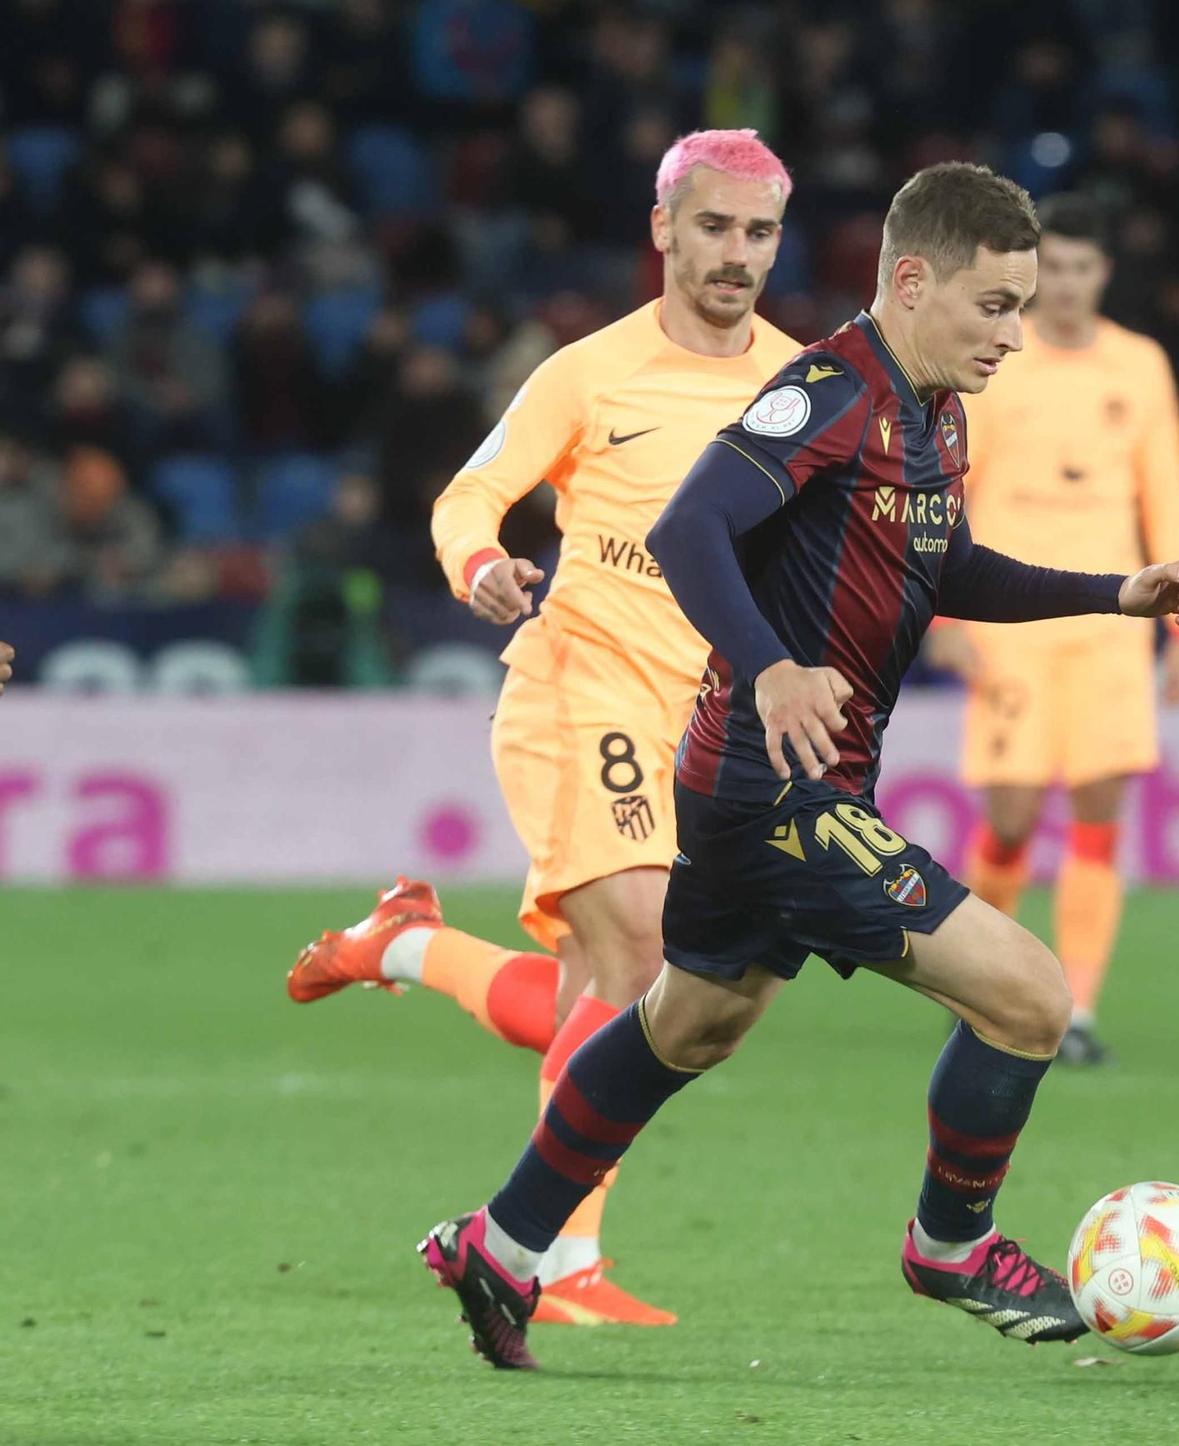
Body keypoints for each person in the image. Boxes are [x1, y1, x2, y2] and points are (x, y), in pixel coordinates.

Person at [416, 162, 1179, 1370]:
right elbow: (688, 525)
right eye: (994, 306)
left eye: (1020, 305)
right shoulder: (830, 391)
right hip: (774, 789)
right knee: (1027, 999)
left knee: (688, 1023)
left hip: (777, 785)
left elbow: (941, 571)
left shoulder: (934, 405)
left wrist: (1115, 592)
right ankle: (951, 1242)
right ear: (911, 281)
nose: (1015, 332)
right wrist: (767, 666)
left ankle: (502, 1243)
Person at [285, 130, 802, 1328]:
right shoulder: (589, 371)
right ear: (663, 227)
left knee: (635, 1003)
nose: (734, 254)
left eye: (759, 232)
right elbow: (470, 492)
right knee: (638, 954)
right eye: (712, 226)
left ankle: (403, 947)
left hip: (708, 716)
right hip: (583, 683)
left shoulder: (799, 384)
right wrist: (477, 562)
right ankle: (551, 1260)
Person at [922, 192, 1179, 1066]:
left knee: (1100, 815)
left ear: (1105, 273)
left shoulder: (1141, 364)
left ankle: (1074, 1006)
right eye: (1059, 269)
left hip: (1116, 618)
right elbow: (950, 486)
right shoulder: (999, 358)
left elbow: (1166, 489)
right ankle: (986, 985)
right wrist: (939, 608)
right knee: (1008, 818)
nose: (1070, 286)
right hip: (1011, 616)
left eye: (1086, 268)